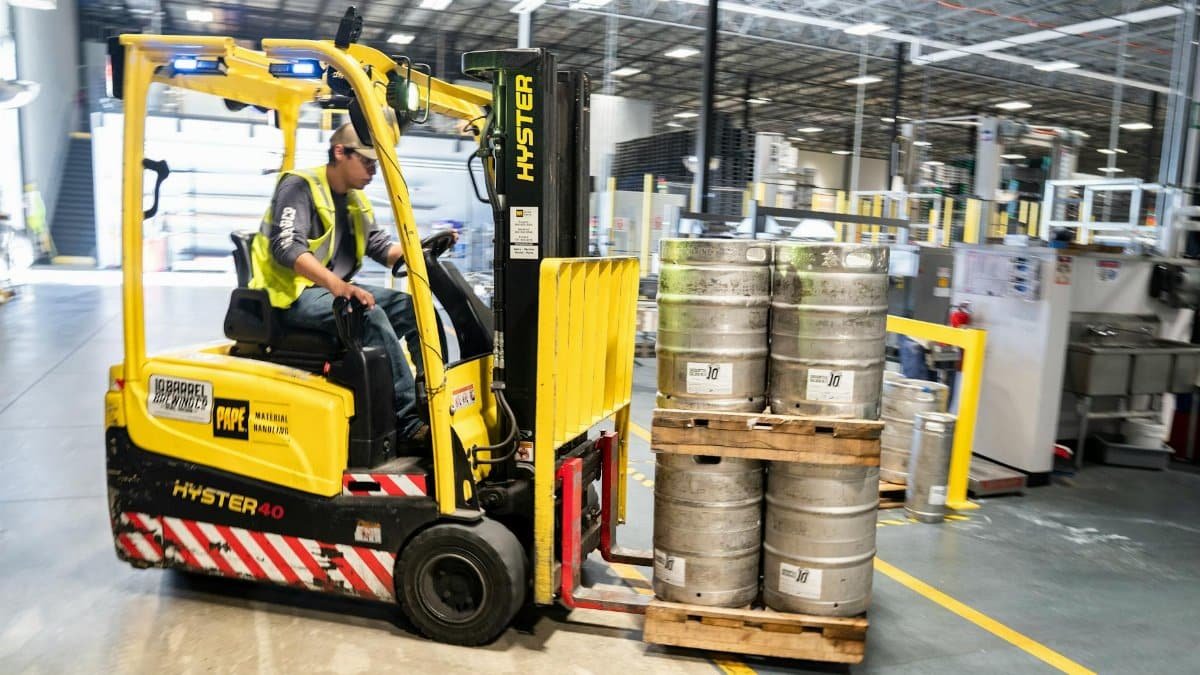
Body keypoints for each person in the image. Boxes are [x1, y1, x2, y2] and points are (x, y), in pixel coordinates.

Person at [248, 123, 446, 442]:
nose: (372, 171)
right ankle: (410, 424)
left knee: (413, 309)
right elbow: (286, 247)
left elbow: (381, 248)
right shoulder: (300, 186)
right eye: (367, 162)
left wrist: (421, 253)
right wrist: (338, 286)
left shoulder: (356, 200)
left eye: (375, 164)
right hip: (291, 298)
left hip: (327, 294)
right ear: (340, 152)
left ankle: (433, 398)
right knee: (367, 313)